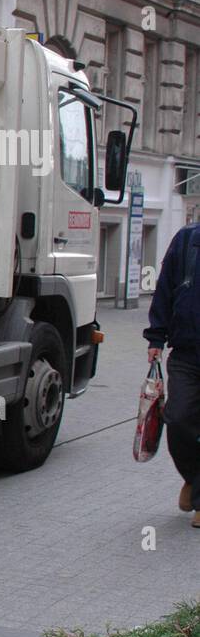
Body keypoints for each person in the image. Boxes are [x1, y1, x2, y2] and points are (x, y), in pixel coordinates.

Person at [145, 221, 200, 529]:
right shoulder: (187, 240)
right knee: (178, 419)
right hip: (187, 352)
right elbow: (166, 287)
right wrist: (155, 338)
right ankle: (192, 478)